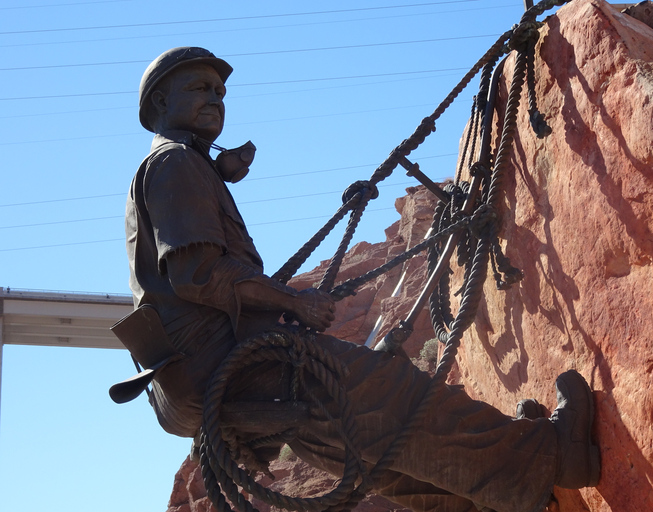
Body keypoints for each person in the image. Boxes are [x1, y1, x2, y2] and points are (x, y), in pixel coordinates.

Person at [114, 46, 600, 512]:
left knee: (364, 453)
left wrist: (217, 169)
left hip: (210, 387)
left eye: (220, 92)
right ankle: (556, 453)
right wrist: (295, 302)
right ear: (160, 101)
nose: (216, 100)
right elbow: (198, 275)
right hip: (243, 364)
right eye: (201, 88)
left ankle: (488, 501)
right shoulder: (173, 163)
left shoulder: (178, 164)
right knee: (394, 395)